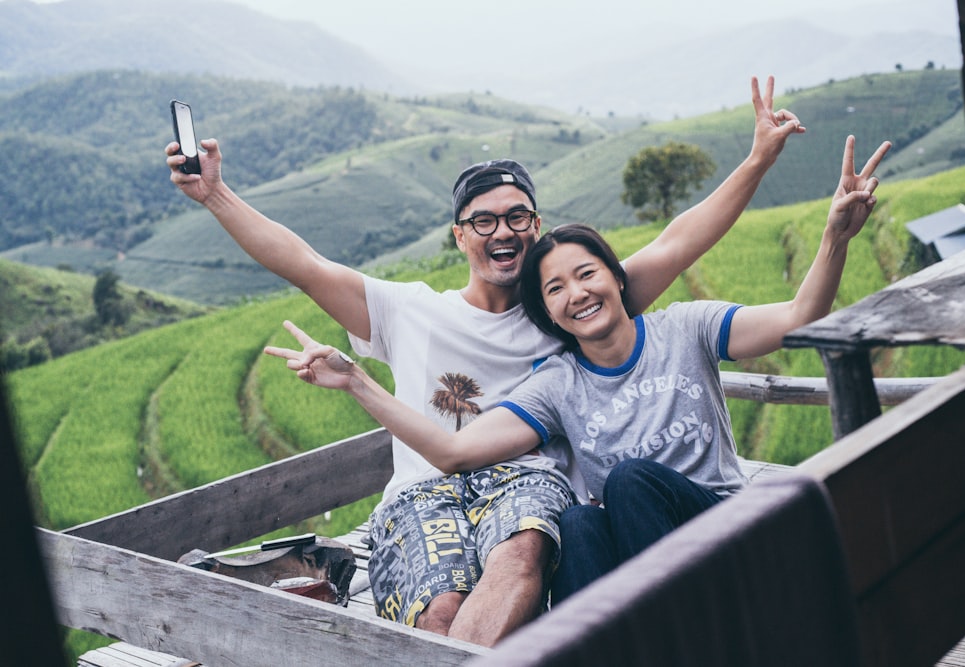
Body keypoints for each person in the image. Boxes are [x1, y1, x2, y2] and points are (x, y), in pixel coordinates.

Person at [167, 76, 804, 645]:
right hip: (422, 494)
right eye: (483, 220)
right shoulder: (408, 310)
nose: (503, 231)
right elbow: (303, 264)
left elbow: (681, 240)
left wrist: (757, 159)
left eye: (517, 215)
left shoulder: (568, 305)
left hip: (528, 484)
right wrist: (217, 196)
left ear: (536, 223)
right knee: (442, 617)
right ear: (460, 235)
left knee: (526, 552)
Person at [264, 134, 890, 606]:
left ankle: (675, 634)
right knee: (583, 521)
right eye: (556, 288)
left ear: (620, 279)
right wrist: (357, 381)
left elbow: (749, 280)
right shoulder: (556, 380)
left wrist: (821, 223)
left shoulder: (686, 327)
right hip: (628, 538)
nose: (577, 294)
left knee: (627, 483)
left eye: (587, 274)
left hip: (724, 527)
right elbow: (453, 451)